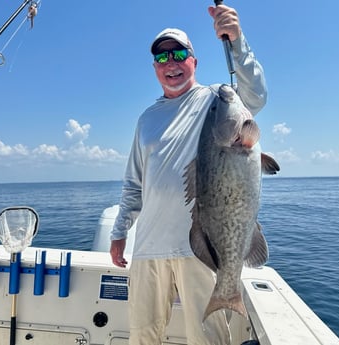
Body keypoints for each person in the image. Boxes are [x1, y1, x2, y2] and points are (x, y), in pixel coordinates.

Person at [110, 4, 267, 345]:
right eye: (162, 58)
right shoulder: (146, 119)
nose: (171, 64)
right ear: (154, 68)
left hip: (200, 245)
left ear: (194, 62)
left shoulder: (215, 99)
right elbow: (133, 183)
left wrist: (237, 41)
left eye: (179, 54)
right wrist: (119, 231)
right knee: (142, 336)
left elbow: (255, 94)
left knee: (208, 338)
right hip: (148, 247)